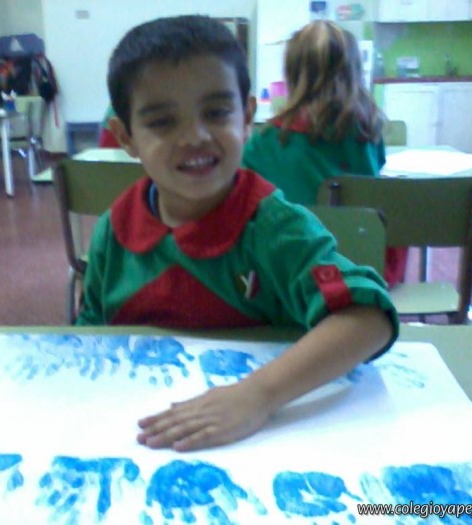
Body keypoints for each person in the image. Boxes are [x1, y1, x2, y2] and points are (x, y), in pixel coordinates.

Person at [77, 15, 398, 453]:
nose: (194, 137)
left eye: (216, 113)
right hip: (138, 442)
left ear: (247, 118)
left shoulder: (274, 228)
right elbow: (86, 339)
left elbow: (370, 319)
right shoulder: (114, 231)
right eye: (162, 121)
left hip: (263, 445)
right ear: (126, 137)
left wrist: (258, 395)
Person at [242, 21, 408, 287]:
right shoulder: (368, 133)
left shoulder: (263, 143)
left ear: (292, 74)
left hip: (292, 270)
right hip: (365, 264)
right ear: (353, 73)